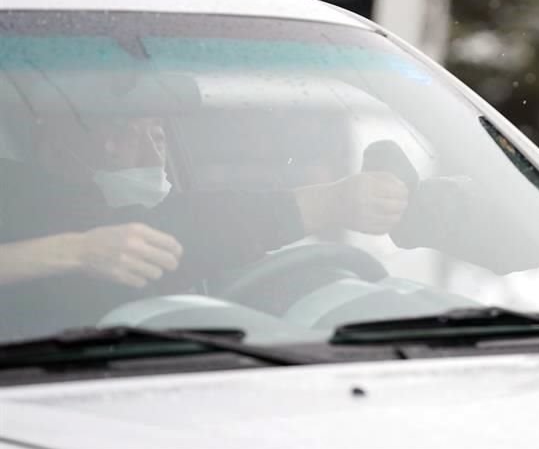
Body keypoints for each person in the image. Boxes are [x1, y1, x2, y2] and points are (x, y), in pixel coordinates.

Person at [0, 112, 409, 335]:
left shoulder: (181, 213)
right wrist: (324, 203)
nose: (149, 154)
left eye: (158, 136)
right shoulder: (27, 199)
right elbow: (172, 234)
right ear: (52, 145)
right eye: (119, 135)